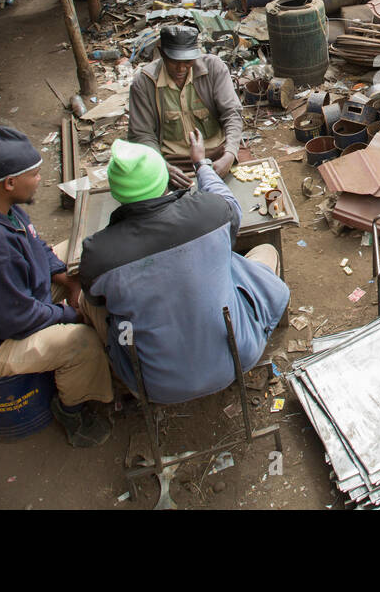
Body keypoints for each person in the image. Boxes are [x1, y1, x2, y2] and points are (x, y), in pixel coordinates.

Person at [0, 126, 113, 447]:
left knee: (79, 253)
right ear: (10, 182)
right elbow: (13, 321)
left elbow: (35, 243)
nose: (40, 179)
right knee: (82, 342)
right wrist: (69, 315)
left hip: (8, 304)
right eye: (35, 174)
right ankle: (73, 412)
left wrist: (68, 279)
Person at [77, 132, 289, 404]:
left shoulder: (99, 252)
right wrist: (202, 165)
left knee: (89, 301)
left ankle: (117, 378)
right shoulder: (211, 211)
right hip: (236, 357)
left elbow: (97, 299)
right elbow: (231, 207)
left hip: (153, 384)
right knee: (263, 254)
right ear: (163, 181)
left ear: (116, 192)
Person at [127, 23, 242, 189]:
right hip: (172, 162)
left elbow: (232, 113)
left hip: (217, 155)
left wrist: (230, 154)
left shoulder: (214, 68)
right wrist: (162, 166)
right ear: (162, 54)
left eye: (188, 61)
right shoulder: (144, 83)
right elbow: (141, 134)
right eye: (174, 62)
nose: (181, 68)